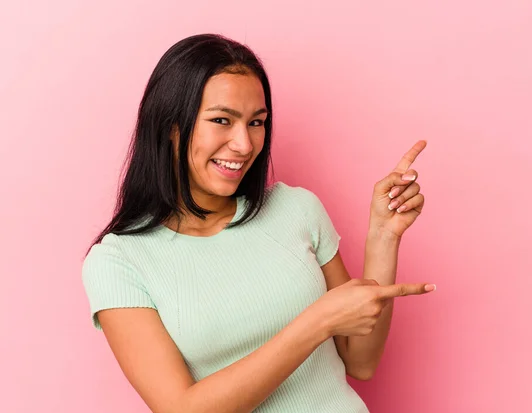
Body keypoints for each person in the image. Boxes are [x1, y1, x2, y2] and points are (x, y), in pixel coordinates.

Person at [82, 33, 435, 413]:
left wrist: (383, 237)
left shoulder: (295, 208)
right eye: (222, 120)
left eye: (257, 122)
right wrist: (316, 323)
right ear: (170, 126)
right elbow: (181, 408)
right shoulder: (119, 261)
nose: (245, 144)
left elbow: (361, 362)